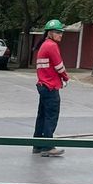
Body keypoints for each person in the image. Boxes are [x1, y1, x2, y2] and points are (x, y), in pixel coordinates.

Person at [33, 19, 70, 157]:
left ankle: (37, 144)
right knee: (51, 116)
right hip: (50, 87)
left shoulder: (44, 45)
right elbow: (59, 66)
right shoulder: (52, 46)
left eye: (61, 32)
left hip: (43, 85)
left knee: (42, 116)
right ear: (50, 33)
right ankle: (48, 146)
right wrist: (66, 78)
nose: (60, 35)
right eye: (57, 32)